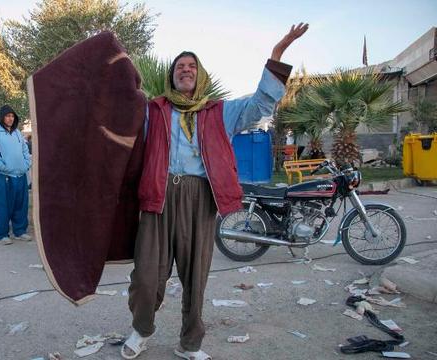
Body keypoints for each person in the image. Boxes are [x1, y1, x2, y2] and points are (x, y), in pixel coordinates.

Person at [121, 23, 309, 360]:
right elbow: (120, 124)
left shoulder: (218, 112)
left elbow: (260, 104)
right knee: (147, 276)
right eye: (180, 67)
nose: (186, 71)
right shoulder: (155, 110)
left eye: (191, 66)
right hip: (158, 196)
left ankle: (190, 343)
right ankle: (141, 330)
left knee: (196, 277)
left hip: (200, 198)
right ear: (171, 76)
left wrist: (278, 54)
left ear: (200, 74)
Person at [0, 105, 32, 245]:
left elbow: (24, 150)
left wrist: (26, 164)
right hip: (3, 176)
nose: (10, 118)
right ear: (2, 117)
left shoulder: (17, 133)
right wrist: (2, 167)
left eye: (12, 116)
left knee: (21, 204)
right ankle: (2, 234)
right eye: (7, 116)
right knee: (3, 205)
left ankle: (20, 231)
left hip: (20, 174)